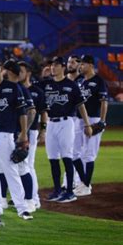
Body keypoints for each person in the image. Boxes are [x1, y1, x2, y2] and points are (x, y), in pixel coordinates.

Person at [0, 59, 33, 220]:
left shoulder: (13, 88)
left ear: (1, 70)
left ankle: (22, 208)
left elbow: (22, 112)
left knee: (11, 171)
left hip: (5, 134)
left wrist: (24, 134)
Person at [43, 56, 92, 203]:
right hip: (51, 123)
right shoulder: (47, 84)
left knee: (67, 157)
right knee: (52, 158)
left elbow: (81, 105)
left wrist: (87, 124)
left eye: (56, 65)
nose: (53, 67)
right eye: (52, 64)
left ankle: (69, 191)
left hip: (66, 123)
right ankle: (57, 190)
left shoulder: (71, 85)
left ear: (63, 67)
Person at [73, 55, 108, 197]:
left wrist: (102, 121)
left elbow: (104, 102)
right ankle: (84, 182)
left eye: (83, 64)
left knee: (89, 154)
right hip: (79, 120)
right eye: (79, 64)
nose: (80, 66)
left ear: (90, 65)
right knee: (74, 153)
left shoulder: (99, 81)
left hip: (93, 119)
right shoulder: (79, 81)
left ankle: (86, 186)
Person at [19, 60, 49, 209]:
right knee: (19, 165)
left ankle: (34, 199)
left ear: (28, 73)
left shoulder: (37, 91)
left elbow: (43, 112)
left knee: (28, 164)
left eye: (21, 71)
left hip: (31, 131)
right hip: (16, 130)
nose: (19, 73)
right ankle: (25, 196)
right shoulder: (15, 88)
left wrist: (43, 130)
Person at [66, 55, 86, 189]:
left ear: (79, 65)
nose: (70, 64)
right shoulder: (63, 81)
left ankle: (81, 181)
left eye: (73, 62)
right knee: (67, 152)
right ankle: (68, 182)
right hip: (67, 119)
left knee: (79, 153)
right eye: (68, 62)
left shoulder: (83, 81)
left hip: (80, 120)